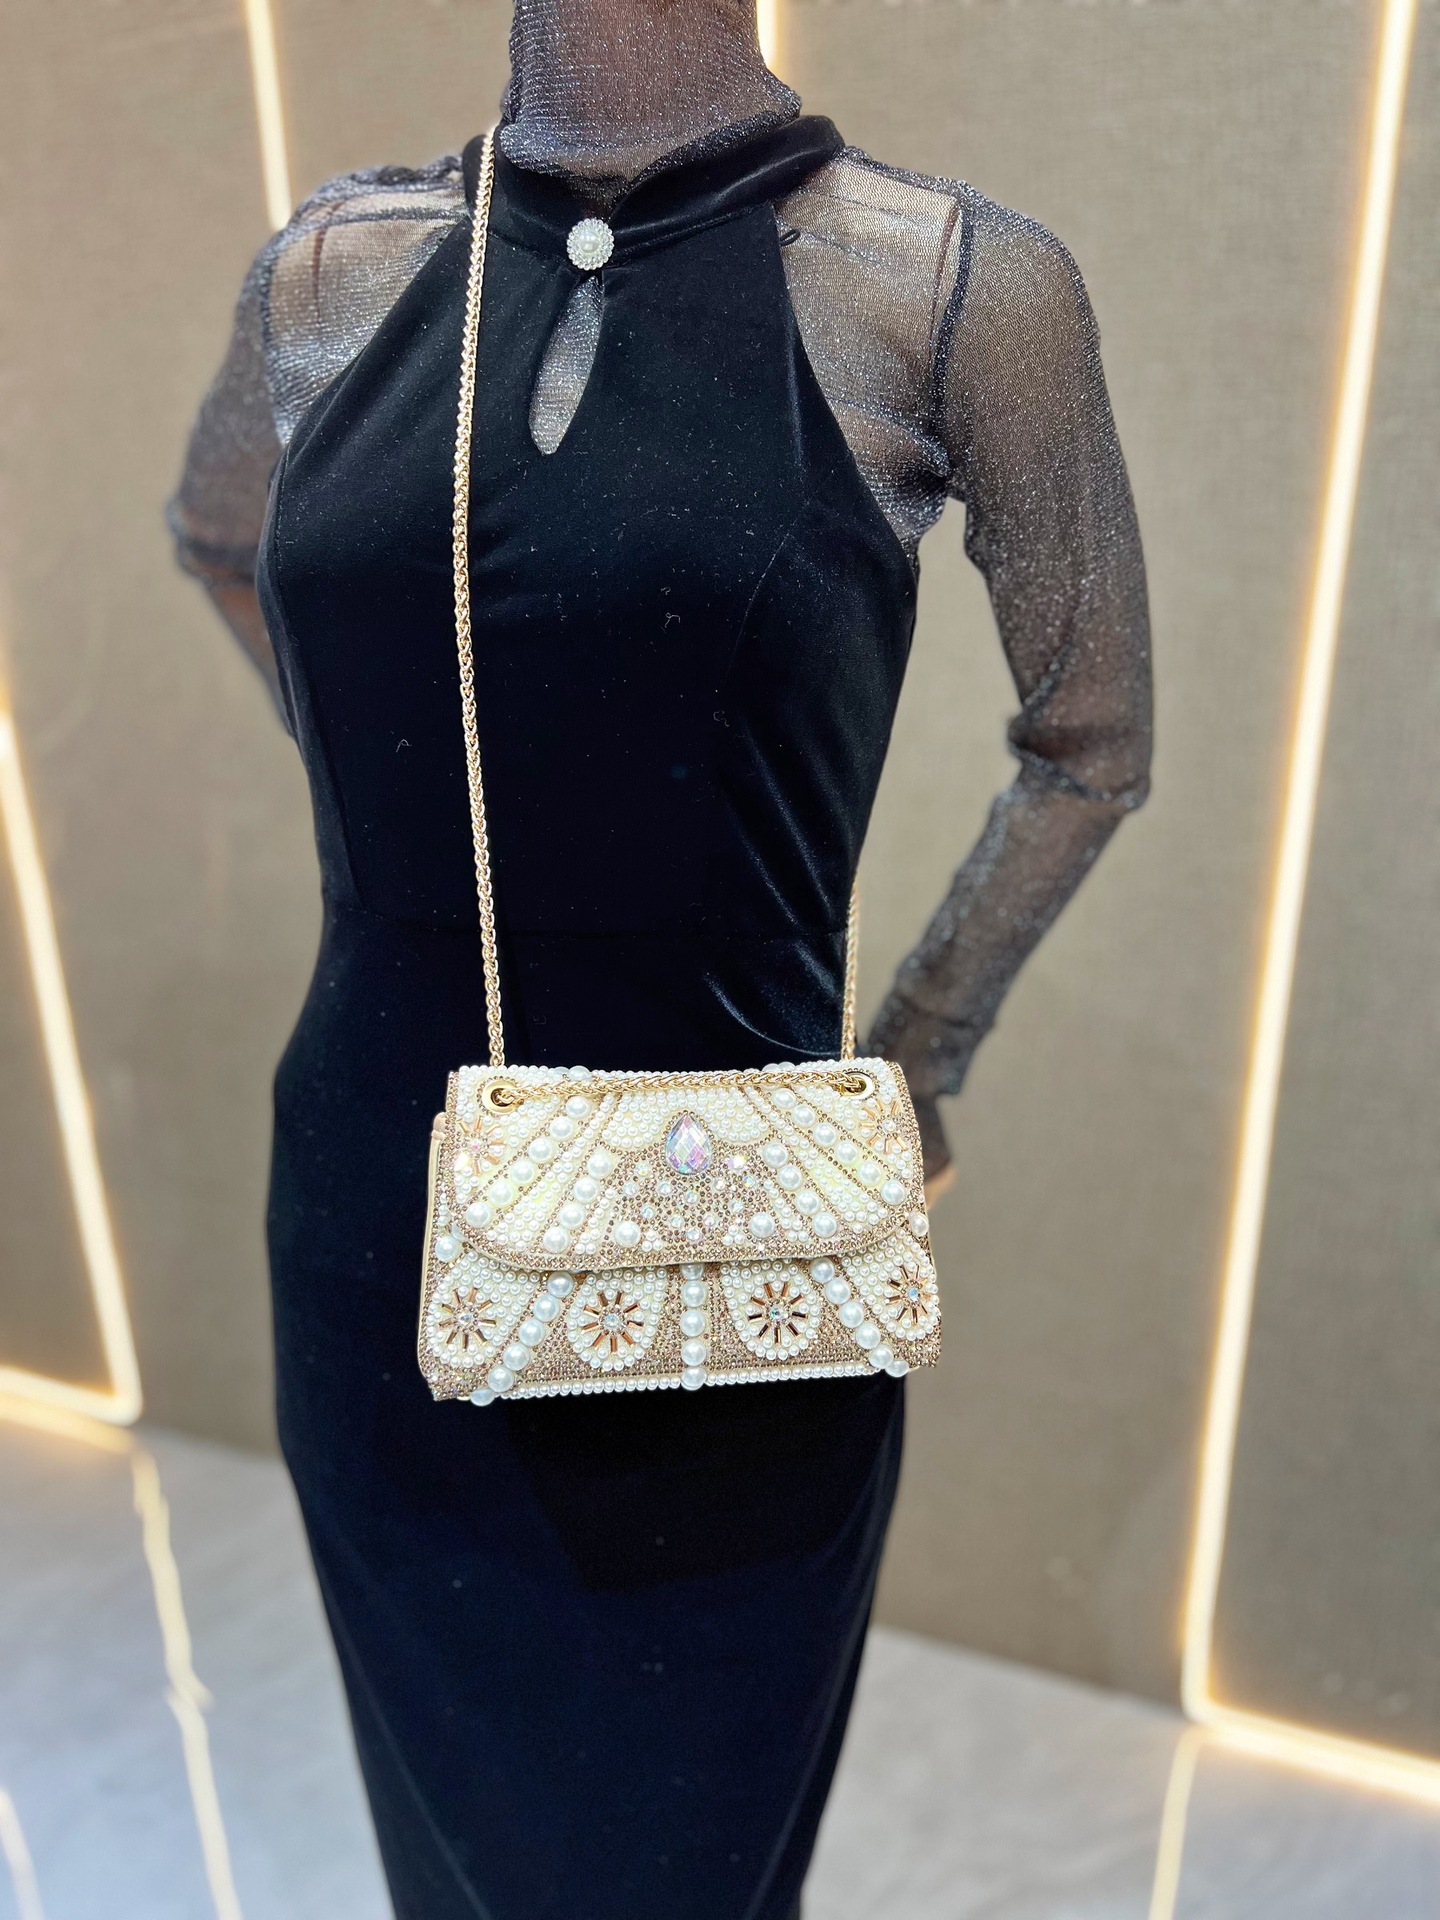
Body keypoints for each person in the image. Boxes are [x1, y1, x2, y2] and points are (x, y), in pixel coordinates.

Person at [170, 3, 1151, 1913]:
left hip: (733, 1276)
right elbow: (220, 533)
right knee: (448, 1854)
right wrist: (423, 820)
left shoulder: (947, 286)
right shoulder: (337, 267)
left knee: (688, 1857)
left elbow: (1092, 740)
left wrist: (916, 1057)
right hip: (385, 1243)